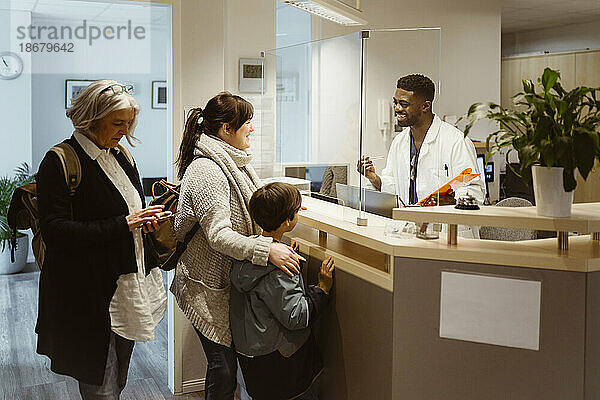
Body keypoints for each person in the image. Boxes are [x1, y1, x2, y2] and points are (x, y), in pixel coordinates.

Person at [36, 79, 168, 399]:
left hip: (127, 284)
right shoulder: (60, 161)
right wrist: (123, 224)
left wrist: (145, 221)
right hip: (88, 292)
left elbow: (128, 209)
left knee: (118, 377)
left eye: (129, 123)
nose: (125, 131)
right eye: (117, 123)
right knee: (100, 384)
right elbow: (56, 231)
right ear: (92, 120)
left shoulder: (122, 155)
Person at [172, 92, 303, 399]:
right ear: (226, 129)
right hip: (205, 287)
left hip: (222, 285)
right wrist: (265, 249)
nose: (252, 129)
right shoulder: (207, 170)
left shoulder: (234, 162)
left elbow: (256, 204)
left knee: (224, 369)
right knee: (223, 370)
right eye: (248, 123)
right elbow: (218, 235)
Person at [230, 182, 334, 400]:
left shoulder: (246, 252)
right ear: (288, 221)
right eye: (296, 211)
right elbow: (296, 316)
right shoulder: (282, 267)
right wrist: (321, 289)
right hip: (281, 361)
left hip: (252, 356)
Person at [357, 74, 485, 206]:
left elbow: (472, 192)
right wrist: (374, 178)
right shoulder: (399, 142)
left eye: (404, 104)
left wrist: (445, 200)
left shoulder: (456, 141)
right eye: (395, 102)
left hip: (442, 224)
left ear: (425, 106)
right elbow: (395, 187)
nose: (397, 108)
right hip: (409, 223)